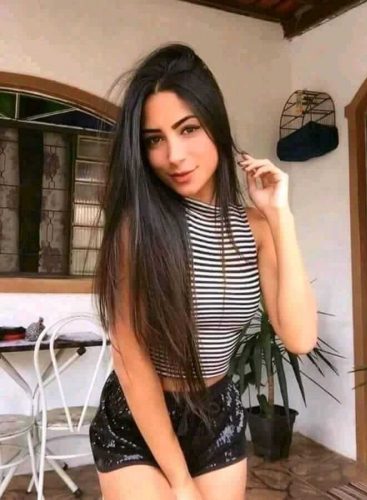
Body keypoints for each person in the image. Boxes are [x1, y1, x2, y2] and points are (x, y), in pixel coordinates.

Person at [89, 43, 318, 500]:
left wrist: (280, 216)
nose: (174, 155)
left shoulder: (256, 228)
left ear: (216, 124)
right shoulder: (135, 228)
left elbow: (299, 337)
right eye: (154, 139)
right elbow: (130, 360)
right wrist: (180, 483)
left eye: (188, 128)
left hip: (216, 413)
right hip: (139, 417)